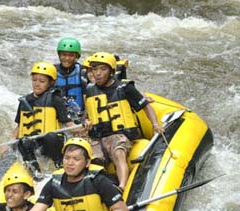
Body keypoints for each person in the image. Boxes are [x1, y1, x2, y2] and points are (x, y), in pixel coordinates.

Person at [0, 138, 129, 211]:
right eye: (67, 158)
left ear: (87, 162)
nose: (70, 163)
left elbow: (121, 210)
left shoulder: (98, 180)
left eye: (76, 159)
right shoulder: (54, 183)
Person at [84, 51, 164, 190]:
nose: (98, 73)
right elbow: (88, 114)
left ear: (111, 72)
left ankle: (122, 186)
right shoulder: (90, 90)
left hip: (121, 134)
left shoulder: (125, 88)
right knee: (90, 159)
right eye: (95, 69)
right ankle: (95, 189)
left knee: (118, 152)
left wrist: (155, 124)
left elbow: (145, 106)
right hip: (98, 136)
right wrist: (86, 121)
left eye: (103, 69)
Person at [13, 61, 75, 175]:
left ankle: (59, 164)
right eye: (34, 80)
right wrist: (9, 145)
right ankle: (35, 171)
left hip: (52, 142)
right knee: (23, 142)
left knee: (50, 136)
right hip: (34, 142)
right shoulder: (24, 101)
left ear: (50, 83)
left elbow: (68, 123)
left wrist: (82, 129)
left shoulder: (55, 99)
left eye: (42, 81)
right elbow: (19, 127)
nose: (37, 84)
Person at [54, 37, 87, 112]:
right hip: (57, 116)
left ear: (77, 57)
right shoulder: (52, 71)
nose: (67, 58)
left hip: (78, 115)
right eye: (64, 55)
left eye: (71, 55)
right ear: (59, 55)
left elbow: (87, 95)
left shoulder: (82, 72)